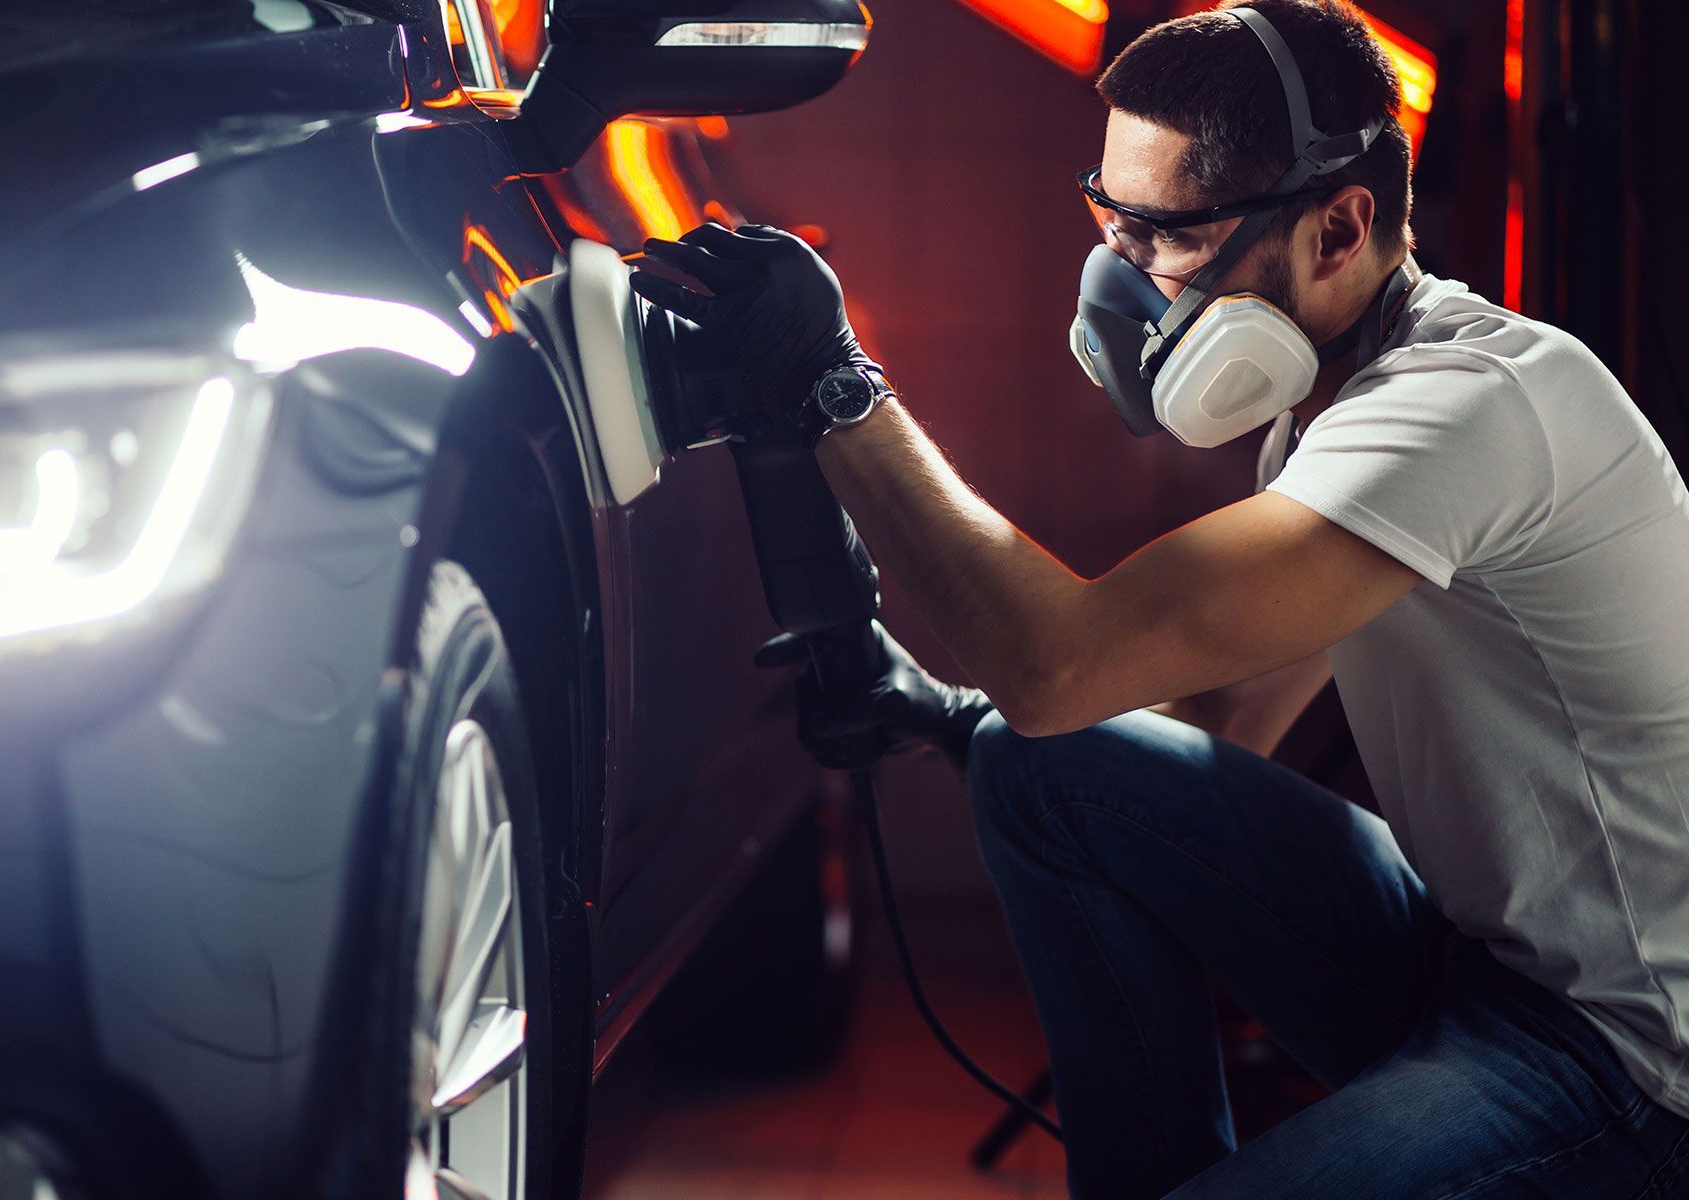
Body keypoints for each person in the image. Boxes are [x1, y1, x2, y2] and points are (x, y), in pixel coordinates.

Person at [627, 0, 1689, 1196]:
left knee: (1047, 711)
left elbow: (1062, 664)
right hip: (1473, 959)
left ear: (1338, 228)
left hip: (1629, 1060)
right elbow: (1218, 726)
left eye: (1165, 239)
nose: (1122, 284)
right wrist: (948, 718)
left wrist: (837, 385)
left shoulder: (1469, 407)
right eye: (1112, 226)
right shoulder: (1328, 412)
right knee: (1042, 768)